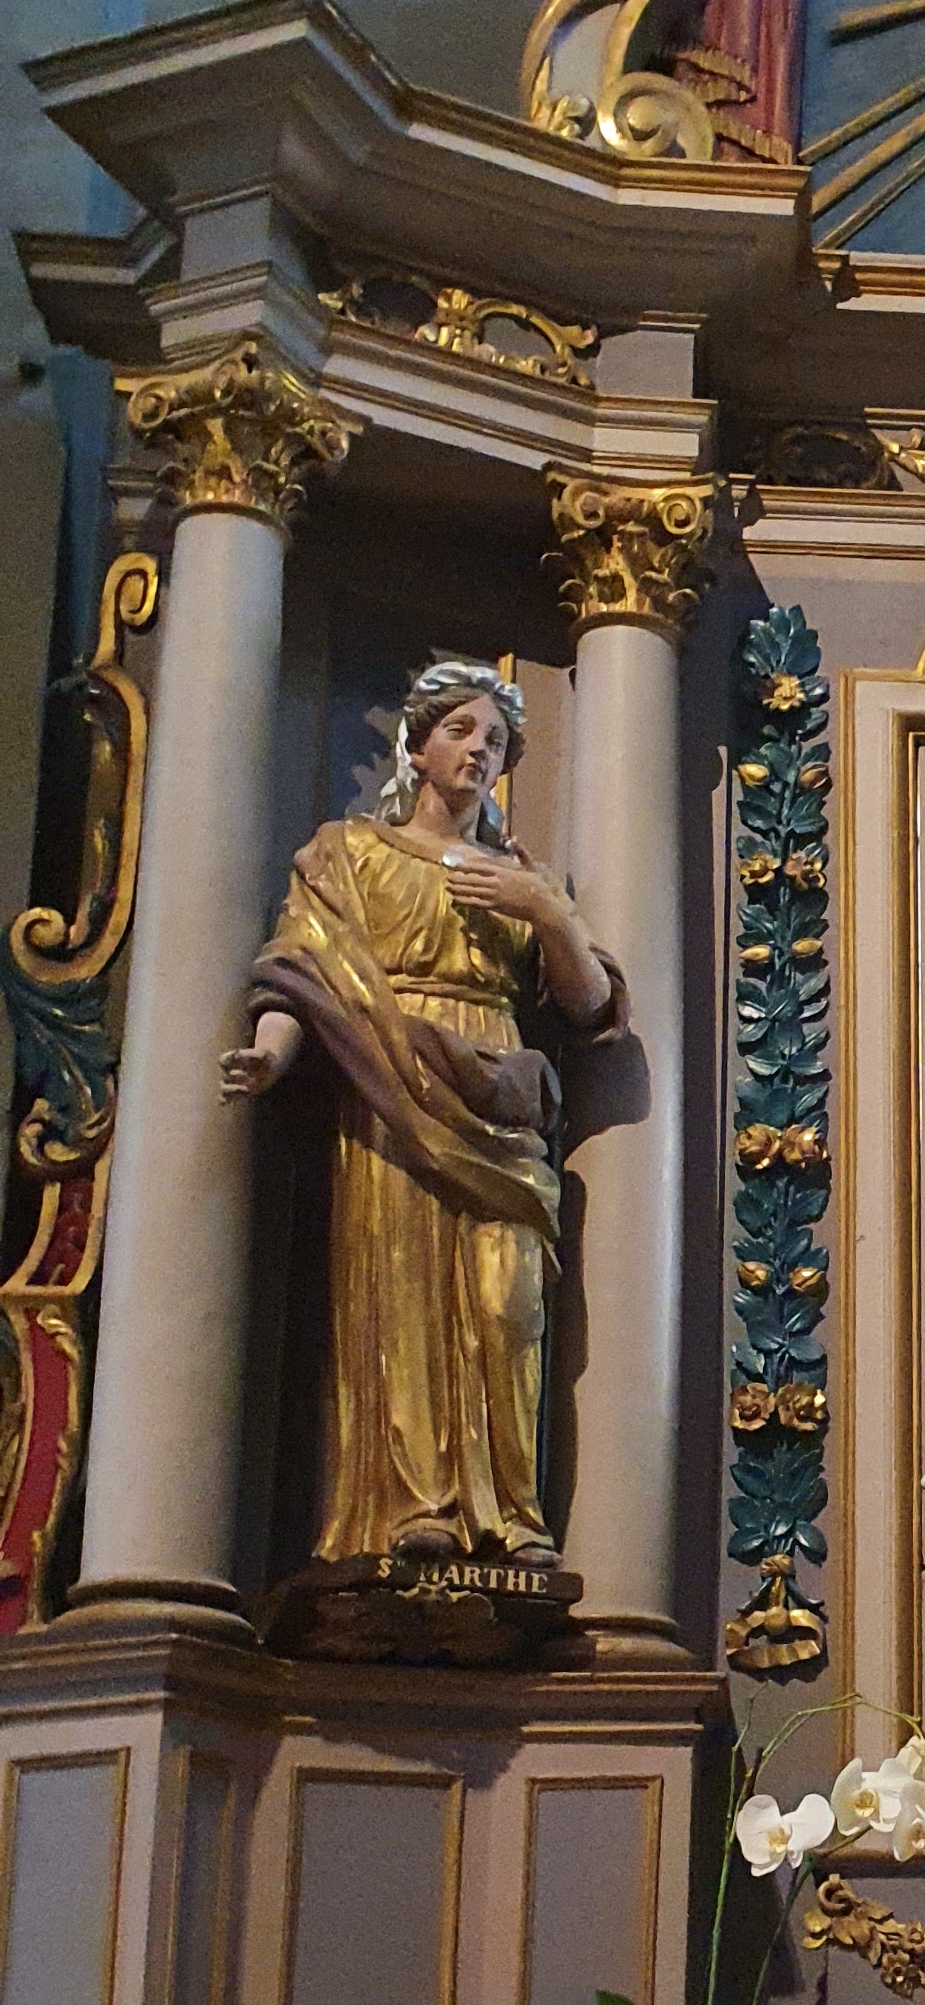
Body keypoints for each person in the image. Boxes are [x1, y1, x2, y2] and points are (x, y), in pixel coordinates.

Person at [220, 657, 620, 1567]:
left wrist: (549, 914)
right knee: (398, 1298)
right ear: (419, 743)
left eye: (497, 740)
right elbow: (303, 973)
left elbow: (590, 1006)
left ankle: (511, 1512)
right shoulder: (351, 854)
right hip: (387, 1084)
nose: (480, 750)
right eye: (461, 731)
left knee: (509, 1306)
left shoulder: (522, 878)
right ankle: (411, 1508)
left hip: (499, 1100)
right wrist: (272, 1055)